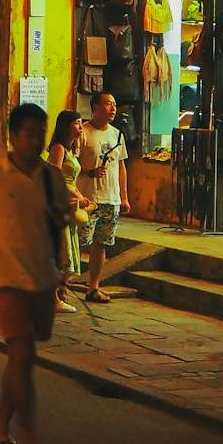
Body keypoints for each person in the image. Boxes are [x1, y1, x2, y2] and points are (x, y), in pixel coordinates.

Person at [0, 103, 67, 444]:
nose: (37, 140)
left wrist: (63, 221)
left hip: (41, 279)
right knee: (21, 351)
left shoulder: (53, 177)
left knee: (20, 358)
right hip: (5, 279)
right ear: (13, 136)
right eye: (30, 133)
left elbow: (62, 221)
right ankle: (30, 433)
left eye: (42, 132)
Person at [77, 91, 129, 304]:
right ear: (95, 107)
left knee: (101, 245)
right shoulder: (83, 133)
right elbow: (70, 165)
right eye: (108, 104)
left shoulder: (117, 135)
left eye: (115, 104)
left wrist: (124, 197)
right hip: (87, 199)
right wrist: (89, 172)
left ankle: (94, 287)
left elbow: (122, 167)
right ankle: (57, 285)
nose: (113, 108)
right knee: (77, 242)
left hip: (111, 199)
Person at [46, 109, 88, 313]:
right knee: (59, 250)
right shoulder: (59, 148)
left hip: (69, 203)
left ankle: (60, 293)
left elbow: (71, 178)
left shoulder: (71, 150)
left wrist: (80, 195)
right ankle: (52, 298)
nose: (81, 127)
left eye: (81, 123)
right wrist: (76, 194)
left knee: (68, 249)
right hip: (58, 204)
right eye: (77, 123)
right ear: (66, 125)